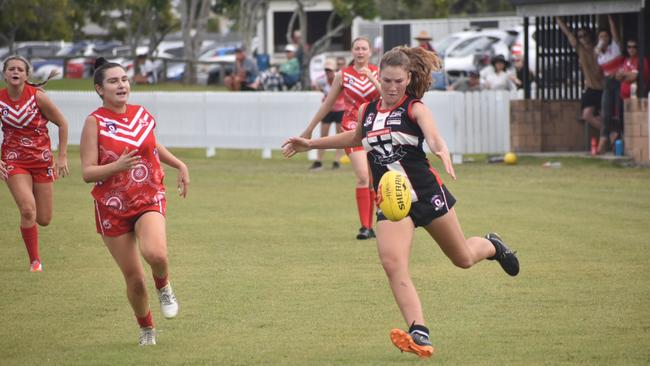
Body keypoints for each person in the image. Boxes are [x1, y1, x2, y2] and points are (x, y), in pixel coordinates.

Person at [282, 46, 520, 358]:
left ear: (408, 78)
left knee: (462, 258)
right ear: (378, 77)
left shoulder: (414, 108)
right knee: (393, 264)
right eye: (387, 81)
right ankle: (419, 330)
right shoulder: (368, 111)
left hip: (426, 193)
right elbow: (355, 138)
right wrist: (311, 143)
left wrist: (442, 151)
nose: (392, 87)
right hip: (393, 201)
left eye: (398, 81)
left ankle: (492, 245)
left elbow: (433, 137)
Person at [79, 57, 190, 346]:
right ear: (99, 89)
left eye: (124, 79)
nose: (121, 85)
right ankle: (147, 330)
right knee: (135, 280)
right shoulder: (95, 122)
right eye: (113, 81)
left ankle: (164, 285)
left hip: (148, 196)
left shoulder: (141, 114)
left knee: (156, 254)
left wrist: (179, 164)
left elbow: (152, 144)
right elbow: (87, 172)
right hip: (112, 208)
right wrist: (116, 166)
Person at [300, 37, 381, 240]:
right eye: (357, 48)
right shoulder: (343, 75)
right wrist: (310, 129)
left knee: (374, 180)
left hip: (375, 129)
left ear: (370, 51)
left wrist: (372, 78)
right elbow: (328, 104)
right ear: (351, 51)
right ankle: (364, 226)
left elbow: (388, 96)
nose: (360, 52)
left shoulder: (378, 72)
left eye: (364, 48)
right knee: (363, 175)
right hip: (351, 129)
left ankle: (373, 226)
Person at [0, 55, 69, 272]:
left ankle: (34, 245)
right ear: (4, 74)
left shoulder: (38, 97)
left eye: (20, 69)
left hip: (41, 161)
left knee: (44, 219)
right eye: (11, 69)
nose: (15, 72)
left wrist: (62, 156)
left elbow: (62, 123)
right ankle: (35, 262)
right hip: (13, 161)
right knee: (28, 210)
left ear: (26, 75)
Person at [556, 17, 604, 146]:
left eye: (585, 35)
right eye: (580, 36)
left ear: (590, 36)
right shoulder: (580, 50)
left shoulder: (599, 49)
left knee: (605, 116)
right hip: (590, 89)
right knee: (586, 115)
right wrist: (558, 18)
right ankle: (609, 133)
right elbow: (568, 33)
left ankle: (609, 135)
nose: (583, 38)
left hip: (603, 88)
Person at [595, 15, 625, 152]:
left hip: (618, 81)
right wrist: (597, 51)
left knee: (619, 110)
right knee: (606, 110)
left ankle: (618, 138)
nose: (604, 39)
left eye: (606, 36)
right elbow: (598, 68)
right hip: (608, 82)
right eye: (601, 36)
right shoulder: (600, 53)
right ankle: (604, 139)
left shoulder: (615, 47)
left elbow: (614, 33)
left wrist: (610, 20)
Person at [309, 59, 345, 170]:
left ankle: (336, 161)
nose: (328, 72)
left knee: (340, 136)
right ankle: (319, 160)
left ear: (334, 70)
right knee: (323, 136)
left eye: (330, 70)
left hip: (340, 110)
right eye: (326, 70)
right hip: (328, 111)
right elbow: (314, 85)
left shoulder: (340, 79)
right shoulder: (322, 80)